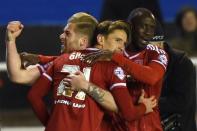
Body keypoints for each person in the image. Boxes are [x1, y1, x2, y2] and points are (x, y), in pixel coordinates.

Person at [27, 20, 156, 131]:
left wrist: (50, 124)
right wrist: (144, 107)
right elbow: (128, 113)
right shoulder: (112, 67)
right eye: (117, 40)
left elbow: (33, 96)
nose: (122, 47)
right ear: (100, 39)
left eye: (124, 43)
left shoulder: (62, 59)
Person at [81, 8, 168, 131]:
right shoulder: (110, 52)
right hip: (115, 126)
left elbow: (151, 77)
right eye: (143, 26)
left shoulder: (158, 54)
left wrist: (115, 57)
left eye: (151, 28)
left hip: (148, 127)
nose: (149, 32)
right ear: (130, 27)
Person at [6, 12, 98, 85]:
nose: (61, 36)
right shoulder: (57, 64)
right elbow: (18, 76)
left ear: (83, 41)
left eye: (67, 33)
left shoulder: (105, 66)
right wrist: (10, 40)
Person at [151, 21, 197, 131]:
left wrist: (149, 103)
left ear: (159, 44)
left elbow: (182, 101)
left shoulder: (180, 62)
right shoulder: (136, 61)